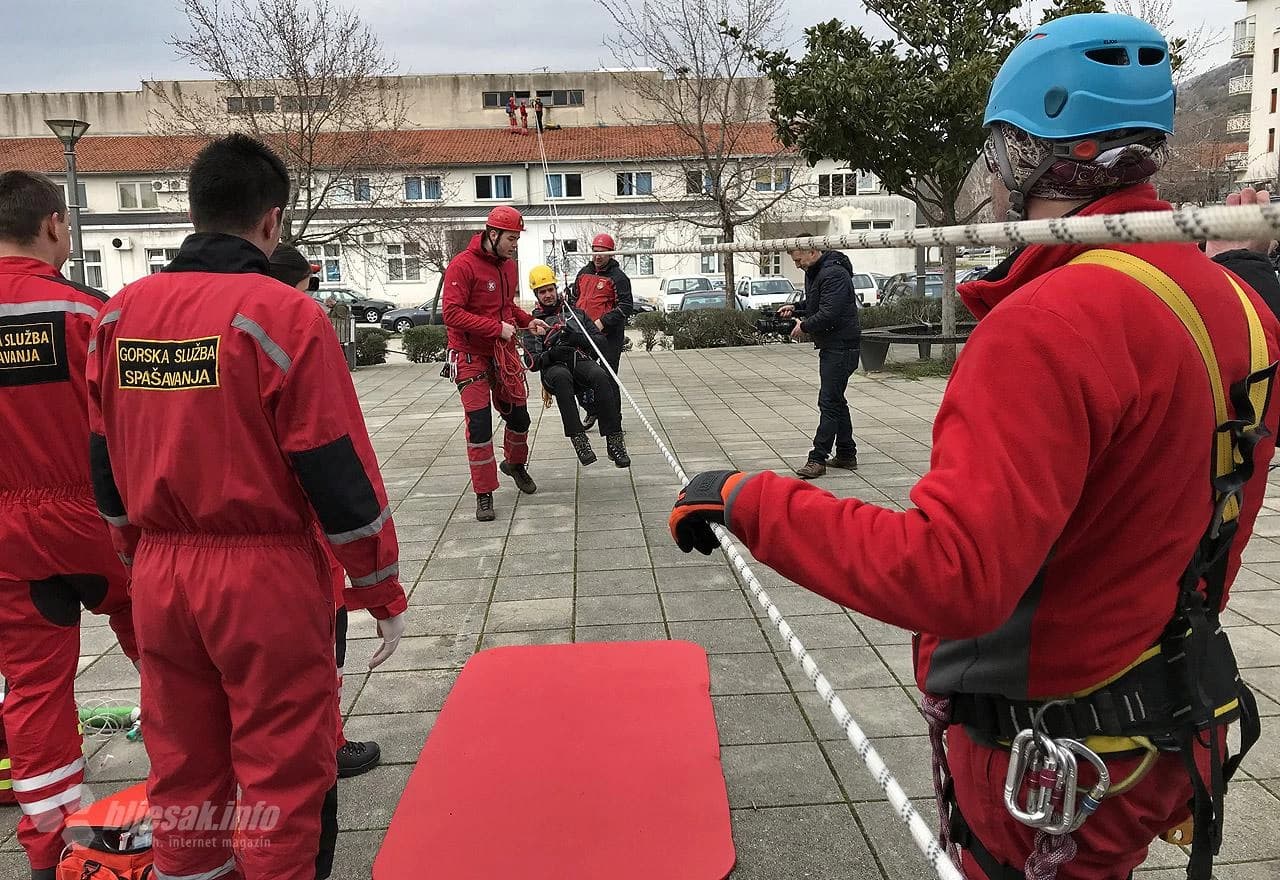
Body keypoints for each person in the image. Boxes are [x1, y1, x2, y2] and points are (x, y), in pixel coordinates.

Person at [668, 14, 1280, 880]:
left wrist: (750, 501)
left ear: (1027, 157)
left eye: (995, 155)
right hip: (1171, 727)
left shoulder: (1049, 325)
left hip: (1056, 763)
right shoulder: (1237, 307)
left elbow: (951, 574)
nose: (990, 182)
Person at [87, 135, 407, 880]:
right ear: (272, 220)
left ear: (193, 213)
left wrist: (138, 556)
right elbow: (336, 470)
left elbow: (102, 462)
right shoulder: (283, 315)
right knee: (281, 770)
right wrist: (379, 587)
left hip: (162, 575)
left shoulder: (117, 316)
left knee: (184, 770)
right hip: (263, 579)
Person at [0, 170, 140, 880]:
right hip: (97, 515)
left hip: (4, 537)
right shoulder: (91, 311)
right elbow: (136, 422)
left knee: (33, 688)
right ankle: (195, 802)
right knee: (168, 658)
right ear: (54, 224)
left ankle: (49, 848)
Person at [267, 243, 382, 780]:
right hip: (292, 534)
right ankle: (326, 744)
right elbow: (332, 455)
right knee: (317, 646)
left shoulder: (128, 317)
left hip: (177, 545)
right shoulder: (294, 326)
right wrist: (381, 586)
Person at [442, 206, 547, 521]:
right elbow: (452, 314)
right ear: (493, 234)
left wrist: (529, 321)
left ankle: (514, 464)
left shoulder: (508, 267)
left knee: (520, 418)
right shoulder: (462, 266)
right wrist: (496, 328)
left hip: (503, 355)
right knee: (479, 426)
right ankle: (484, 493)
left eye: (516, 239)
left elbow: (506, 307)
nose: (515, 245)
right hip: (470, 356)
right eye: (512, 239)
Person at [522, 264, 629, 467]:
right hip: (554, 369)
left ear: (557, 289)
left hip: (578, 361)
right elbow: (531, 362)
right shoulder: (534, 324)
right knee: (562, 377)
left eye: (550, 290)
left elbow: (601, 343)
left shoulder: (576, 314)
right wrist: (551, 352)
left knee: (600, 376)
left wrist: (576, 337)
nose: (547, 295)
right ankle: (579, 439)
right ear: (536, 295)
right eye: (542, 292)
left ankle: (614, 440)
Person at [777, 238, 861, 479]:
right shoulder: (817, 271)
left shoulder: (833, 273)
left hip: (842, 346)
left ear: (812, 251)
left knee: (829, 402)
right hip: (834, 345)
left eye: (798, 259)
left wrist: (804, 326)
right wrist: (797, 309)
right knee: (835, 401)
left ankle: (818, 458)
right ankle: (846, 453)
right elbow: (818, 304)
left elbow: (830, 312)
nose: (797, 265)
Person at [572, 232, 633, 465]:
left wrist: (603, 322)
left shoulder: (619, 277)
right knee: (578, 375)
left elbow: (626, 306)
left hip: (608, 337)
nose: (598, 257)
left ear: (611, 253)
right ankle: (592, 408)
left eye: (602, 253)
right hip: (584, 334)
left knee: (608, 379)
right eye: (595, 252)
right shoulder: (583, 273)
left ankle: (614, 422)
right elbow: (576, 298)